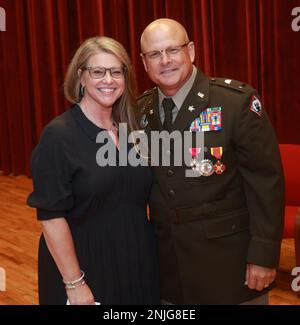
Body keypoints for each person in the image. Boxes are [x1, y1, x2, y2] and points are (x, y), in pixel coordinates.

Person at [137, 18, 284, 304]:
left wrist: (264, 256)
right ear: (144, 63)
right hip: (168, 270)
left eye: (173, 50)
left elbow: (266, 184)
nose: (165, 61)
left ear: (191, 51)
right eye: (154, 54)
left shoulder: (234, 103)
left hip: (229, 267)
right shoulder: (140, 110)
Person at [27, 36, 160, 305]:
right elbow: (51, 217)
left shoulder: (133, 127)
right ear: (81, 77)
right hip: (84, 266)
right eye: (98, 72)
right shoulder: (58, 136)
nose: (108, 80)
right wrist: (75, 283)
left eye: (116, 71)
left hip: (136, 261)